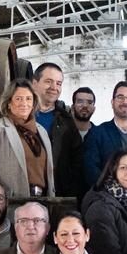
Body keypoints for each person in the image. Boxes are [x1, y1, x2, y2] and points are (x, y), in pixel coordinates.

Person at [0, 79, 56, 199]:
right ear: (9, 103)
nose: (24, 103)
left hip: (43, 200)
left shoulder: (42, 131)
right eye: (18, 98)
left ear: (33, 103)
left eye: (28, 99)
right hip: (11, 201)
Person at [31, 62, 86, 198]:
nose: (54, 87)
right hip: (21, 191)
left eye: (58, 83)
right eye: (48, 81)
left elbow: (77, 159)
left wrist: (69, 191)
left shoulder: (66, 120)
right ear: (34, 83)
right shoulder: (18, 112)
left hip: (56, 195)